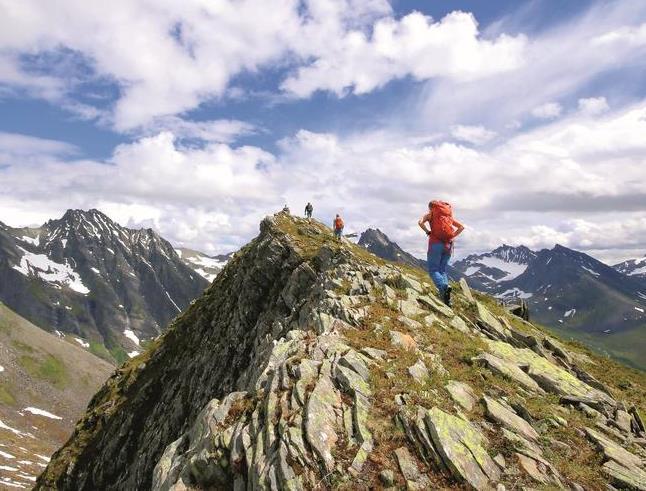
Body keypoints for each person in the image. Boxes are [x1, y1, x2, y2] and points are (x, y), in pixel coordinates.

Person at [418, 201, 464, 306]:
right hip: (448, 245)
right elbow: (461, 227)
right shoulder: (449, 218)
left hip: (435, 244)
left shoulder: (430, 215)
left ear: (431, 208)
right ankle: (446, 298)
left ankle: (443, 287)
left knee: (433, 270)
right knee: (442, 270)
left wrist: (427, 231)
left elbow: (420, 222)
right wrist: (452, 236)